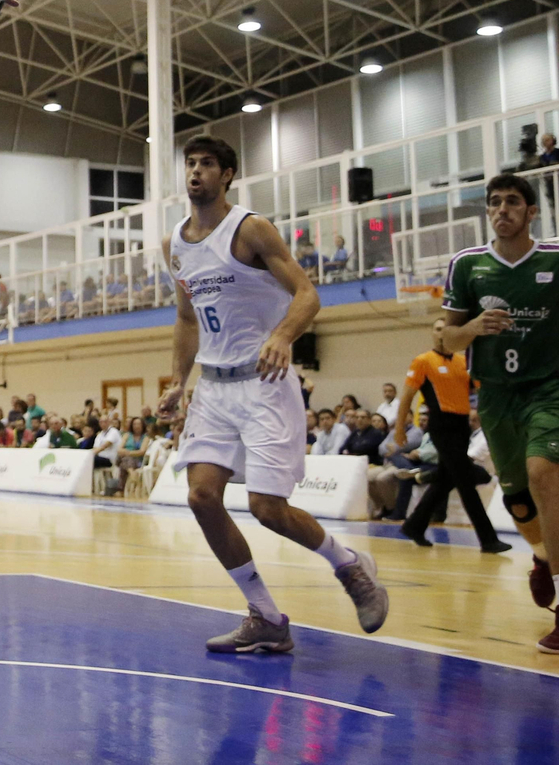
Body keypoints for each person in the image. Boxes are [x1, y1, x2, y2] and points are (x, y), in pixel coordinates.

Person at [157, 135, 387, 655]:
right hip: (213, 388)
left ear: (228, 174)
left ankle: (349, 565)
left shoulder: (251, 229)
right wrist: (178, 379)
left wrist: (282, 336)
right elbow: (186, 317)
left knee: (267, 508)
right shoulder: (174, 243)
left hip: (263, 383)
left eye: (207, 164)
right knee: (201, 497)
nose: (196, 172)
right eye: (190, 164)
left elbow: (309, 294)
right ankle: (265, 616)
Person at [439, 173, 559, 652]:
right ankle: (542, 556)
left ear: (531, 212)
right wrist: (472, 327)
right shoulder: (468, 266)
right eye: (494, 202)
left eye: (512, 202)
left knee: (544, 473)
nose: (502, 209)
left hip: (549, 389)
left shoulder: (554, 258)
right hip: (495, 396)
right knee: (519, 501)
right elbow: (445, 340)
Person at [394, 318, 508, 552]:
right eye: (436, 329)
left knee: (446, 480)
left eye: (444, 328)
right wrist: (398, 430)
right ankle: (488, 539)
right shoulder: (423, 361)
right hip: (441, 425)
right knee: (465, 480)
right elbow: (407, 396)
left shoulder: (462, 361)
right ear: (432, 333)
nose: (440, 332)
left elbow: (481, 389)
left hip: (461, 425)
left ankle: (414, 525)